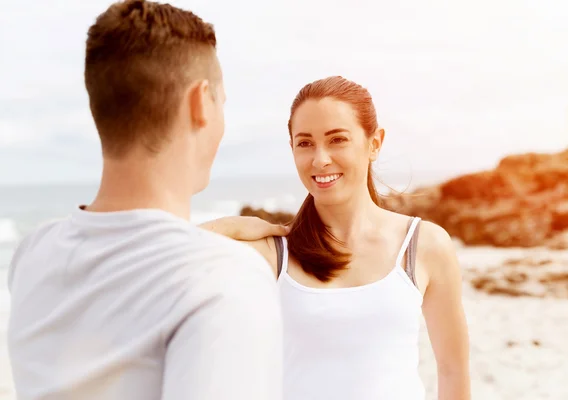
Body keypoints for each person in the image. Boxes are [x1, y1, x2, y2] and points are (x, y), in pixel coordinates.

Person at [6, 1, 285, 399]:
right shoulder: (227, 280)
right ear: (200, 102)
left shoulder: (32, 255)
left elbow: (126, 257)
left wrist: (212, 235)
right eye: (223, 101)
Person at [225, 76, 471, 399]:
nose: (320, 159)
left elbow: (453, 371)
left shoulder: (423, 246)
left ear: (374, 144)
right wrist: (232, 228)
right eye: (305, 143)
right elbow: (161, 258)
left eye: (337, 139)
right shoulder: (273, 254)